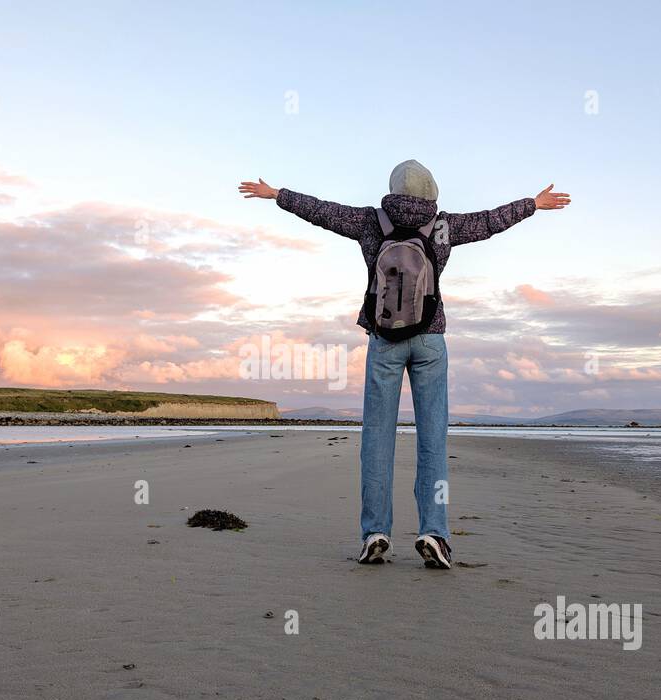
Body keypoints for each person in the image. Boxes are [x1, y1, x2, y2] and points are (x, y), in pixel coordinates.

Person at [239, 160, 570, 568]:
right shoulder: (444, 225)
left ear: (393, 189)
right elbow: (490, 221)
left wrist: (278, 196)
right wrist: (532, 204)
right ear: (432, 190)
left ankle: (375, 533)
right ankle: (435, 535)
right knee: (433, 442)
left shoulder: (370, 222)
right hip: (430, 340)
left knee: (377, 441)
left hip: (384, 340)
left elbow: (320, 211)